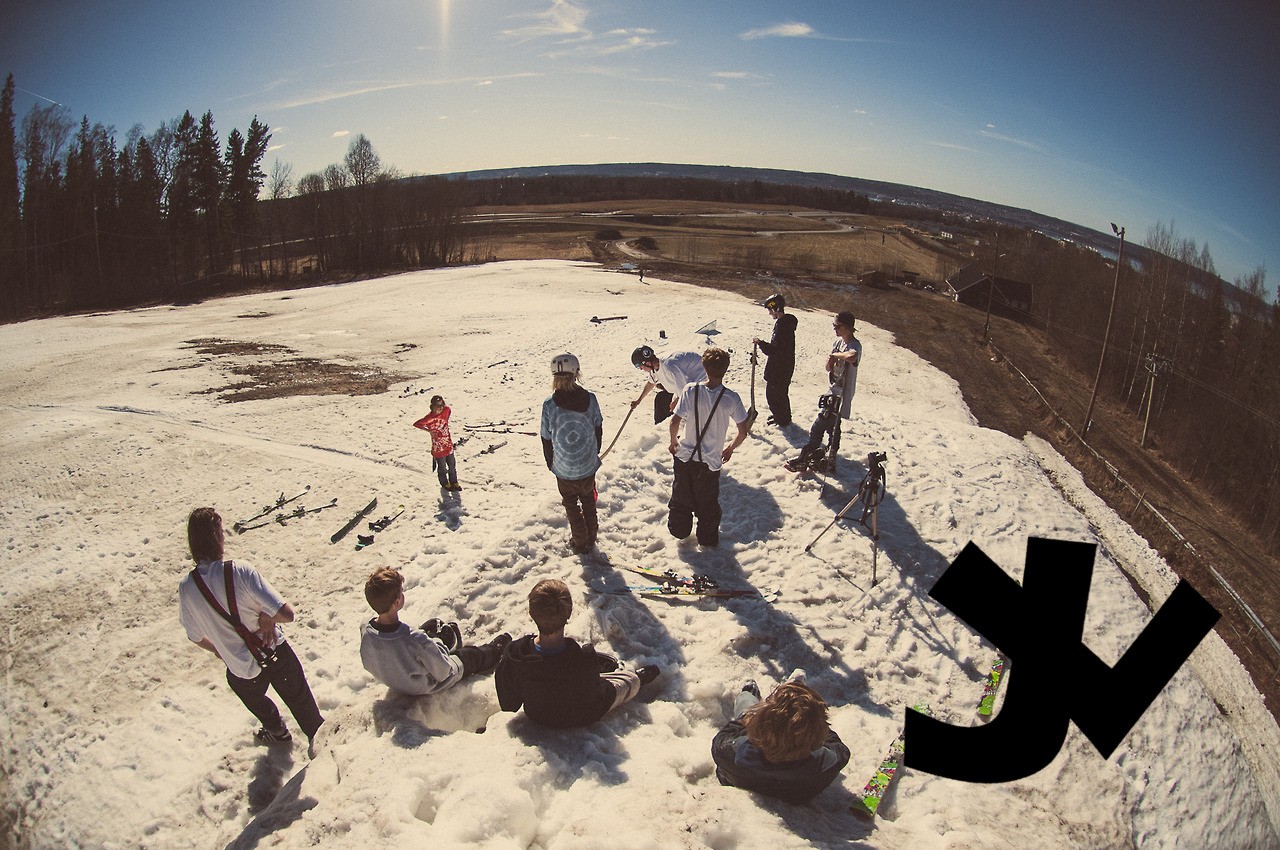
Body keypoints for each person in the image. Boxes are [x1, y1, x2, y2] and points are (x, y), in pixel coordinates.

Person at [178, 507, 324, 748]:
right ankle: (319, 741)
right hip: (274, 652)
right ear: (217, 537)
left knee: (249, 694)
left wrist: (218, 648)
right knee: (302, 703)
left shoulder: (187, 588)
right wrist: (268, 617)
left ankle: (276, 729)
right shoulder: (239, 571)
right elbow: (287, 614)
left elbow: (194, 636)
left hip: (241, 669)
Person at [495, 578, 659, 728]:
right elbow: (594, 695)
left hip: (538, 716)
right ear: (568, 613)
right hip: (579, 717)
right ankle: (636, 678)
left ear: (532, 613)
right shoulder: (581, 659)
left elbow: (509, 703)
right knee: (626, 681)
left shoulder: (516, 655)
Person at [359, 567, 510, 695]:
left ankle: (443, 644)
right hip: (423, 685)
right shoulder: (414, 638)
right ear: (397, 602)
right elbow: (443, 672)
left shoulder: (366, 628)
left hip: (394, 678)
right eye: (401, 592)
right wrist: (437, 645)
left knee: (432, 625)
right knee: (470, 656)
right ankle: (494, 651)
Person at [712, 677, 851, 803]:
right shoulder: (827, 764)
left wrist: (749, 720)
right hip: (794, 794)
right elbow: (839, 748)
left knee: (746, 709)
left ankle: (750, 695)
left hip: (744, 778)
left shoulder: (727, 751)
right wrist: (814, 727)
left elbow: (727, 733)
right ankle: (796, 695)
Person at [667, 347, 751, 547]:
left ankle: (680, 531)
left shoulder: (690, 390)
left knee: (681, 498)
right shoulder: (731, 398)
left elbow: (674, 421)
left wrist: (673, 442)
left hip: (685, 456)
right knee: (707, 505)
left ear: (704, 367)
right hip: (710, 462)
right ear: (726, 369)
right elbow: (743, 431)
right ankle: (706, 540)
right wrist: (730, 448)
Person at [541, 353, 604, 554]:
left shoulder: (549, 405)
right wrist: (594, 454)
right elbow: (598, 427)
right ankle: (591, 536)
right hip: (587, 463)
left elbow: (546, 437)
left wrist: (551, 463)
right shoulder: (591, 399)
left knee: (570, 503)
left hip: (563, 467)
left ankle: (580, 542)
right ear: (576, 373)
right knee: (588, 499)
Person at [787, 310, 862, 473]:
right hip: (831, 390)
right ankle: (825, 458)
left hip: (841, 394)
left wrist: (835, 355)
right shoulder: (838, 343)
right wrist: (830, 362)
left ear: (847, 327)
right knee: (831, 427)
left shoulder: (855, 345)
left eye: (837, 326)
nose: (834, 329)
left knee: (822, 425)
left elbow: (852, 357)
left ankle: (813, 457)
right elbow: (828, 368)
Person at [630, 345, 708, 424]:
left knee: (679, 409)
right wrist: (638, 401)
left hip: (703, 384)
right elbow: (650, 383)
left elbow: (684, 391)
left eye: (639, 366)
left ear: (647, 363)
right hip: (689, 385)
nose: (641, 369)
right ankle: (661, 428)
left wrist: (676, 401)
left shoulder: (670, 366)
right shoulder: (656, 367)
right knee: (661, 399)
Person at [752, 293, 797, 427]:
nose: (769, 313)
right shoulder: (784, 324)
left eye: (770, 310)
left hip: (779, 368)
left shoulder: (783, 326)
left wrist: (760, 343)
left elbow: (774, 350)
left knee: (774, 395)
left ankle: (782, 419)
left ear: (776, 309)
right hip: (783, 366)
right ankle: (782, 416)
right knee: (780, 394)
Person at [413, 395, 460, 491]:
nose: (441, 407)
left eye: (442, 404)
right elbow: (417, 424)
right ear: (433, 406)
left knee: (452, 465)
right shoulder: (429, 418)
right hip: (438, 448)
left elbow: (447, 412)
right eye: (438, 405)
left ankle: (454, 482)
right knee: (442, 467)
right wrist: (429, 431)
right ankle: (445, 483)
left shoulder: (446, 410)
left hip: (448, 444)